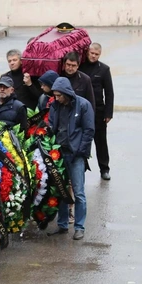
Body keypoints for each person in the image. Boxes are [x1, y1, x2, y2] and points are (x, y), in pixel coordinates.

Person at [46, 77, 95, 241]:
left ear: (67, 93)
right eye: (55, 95)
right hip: (58, 155)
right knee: (61, 190)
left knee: (79, 192)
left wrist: (80, 152)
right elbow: (52, 127)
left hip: (75, 156)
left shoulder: (83, 105)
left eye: (59, 95)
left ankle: (79, 227)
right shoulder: (55, 106)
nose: (56, 98)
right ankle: (62, 225)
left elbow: (89, 131)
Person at [79, 43, 114, 181]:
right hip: (81, 110)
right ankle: (81, 168)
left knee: (101, 142)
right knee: (81, 141)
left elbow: (109, 92)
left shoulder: (104, 69)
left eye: (96, 54)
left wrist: (108, 113)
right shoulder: (80, 67)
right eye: (91, 53)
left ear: (100, 54)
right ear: (87, 52)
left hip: (98, 111)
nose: (93, 56)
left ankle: (104, 169)